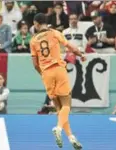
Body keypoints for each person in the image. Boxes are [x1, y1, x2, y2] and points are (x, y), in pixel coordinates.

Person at [30, 13, 85, 150]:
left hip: (46, 74)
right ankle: (58, 128)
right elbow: (70, 47)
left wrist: (43, 74)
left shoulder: (33, 40)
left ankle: (71, 138)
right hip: (59, 69)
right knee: (67, 105)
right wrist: (80, 54)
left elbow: (35, 64)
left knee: (60, 109)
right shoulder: (54, 33)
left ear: (36, 24)